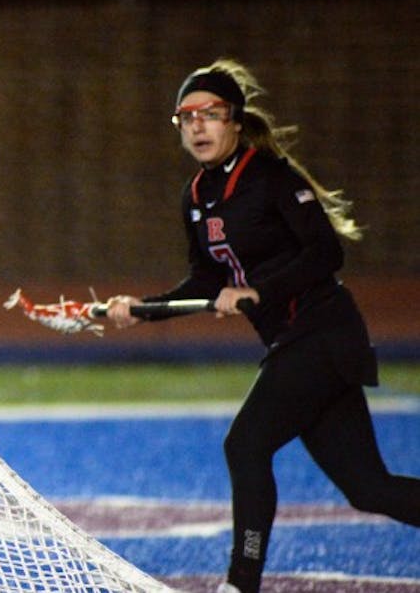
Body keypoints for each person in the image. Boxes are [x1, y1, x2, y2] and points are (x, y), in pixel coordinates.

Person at [102, 59, 420, 593]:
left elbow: (327, 252)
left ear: (234, 120)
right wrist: (143, 309)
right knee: (369, 490)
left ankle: (240, 583)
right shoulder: (196, 197)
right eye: (187, 117)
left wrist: (258, 290)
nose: (198, 126)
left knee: (245, 445)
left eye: (210, 114)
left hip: (324, 336)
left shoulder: (272, 178)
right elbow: (206, 281)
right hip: (297, 346)